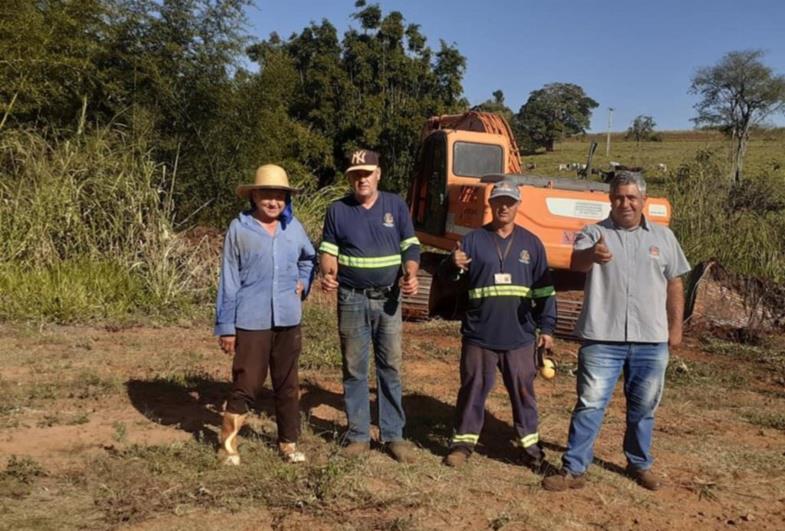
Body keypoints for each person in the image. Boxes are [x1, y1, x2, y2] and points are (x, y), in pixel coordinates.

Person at [542, 171, 690, 492]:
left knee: (644, 408)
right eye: (619, 197)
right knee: (590, 403)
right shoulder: (594, 234)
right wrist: (591, 255)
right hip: (602, 338)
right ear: (610, 200)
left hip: (651, 340)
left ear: (643, 201)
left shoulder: (664, 238)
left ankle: (639, 463)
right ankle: (574, 470)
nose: (625, 203)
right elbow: (577, 262)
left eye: (631, 197)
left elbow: (675, 283)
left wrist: (675, 328)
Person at [442, 179, 557, 469]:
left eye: (510, 202)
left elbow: (544, 292)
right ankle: (462, 445)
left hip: (520, 336)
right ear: (490, 205)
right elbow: (448, 279)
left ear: (518, 206)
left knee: (523, 392)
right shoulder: (472, 240)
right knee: (472, 390)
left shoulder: (532, 244)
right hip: (480, 333)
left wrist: (548, 329)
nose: (504, 206)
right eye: (499, 201)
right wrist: (451, 264)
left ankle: (531, 449)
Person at [319, 149, 420, 463]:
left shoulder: (395, 205)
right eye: (355, 174)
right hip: (351, 297)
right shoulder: (338, 210)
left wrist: (411, 273)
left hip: (388, 297)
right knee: (354, 368)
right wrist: (326, 273)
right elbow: (328, 249)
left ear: (378, 173)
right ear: (350, 178)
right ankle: (359, 435)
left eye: (366, 173)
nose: (361, 179)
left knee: (390, 366)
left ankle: (393, 435)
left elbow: (411, 245)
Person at [215, 164, 316, 465]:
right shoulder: (239, 229)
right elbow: (229, 279)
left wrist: (303, 280)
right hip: (251, 319)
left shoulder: (293, 228)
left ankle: (288, 442)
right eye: (267, 195)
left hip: (288, 319)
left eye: (280, 196)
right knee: (246, 384)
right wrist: (226, 326)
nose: (273, 202)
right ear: (254, 196)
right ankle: (228, 447)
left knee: (287, 385)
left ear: (286, 198)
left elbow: (309, 258)